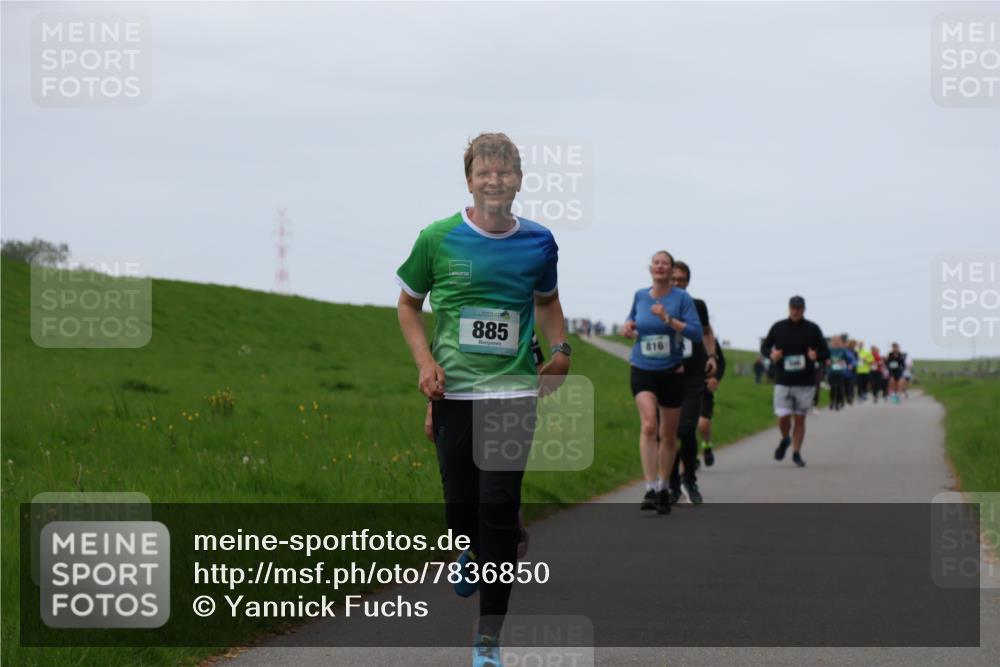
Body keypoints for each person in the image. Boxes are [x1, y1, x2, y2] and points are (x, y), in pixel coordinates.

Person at [396, 132, 570, 667]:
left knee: (496, 506)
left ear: (519, 180)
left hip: (514, 390)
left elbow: (548, 303)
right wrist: (425, 365)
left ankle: (488, 640)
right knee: (461, 507)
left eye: (504, 172)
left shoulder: (539, 241)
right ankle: (470, 546)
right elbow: (408, 305)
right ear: (469, 180)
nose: (495, 180)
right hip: (455, 393)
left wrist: (561, 349)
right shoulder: (438, 237)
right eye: (484, 172)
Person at [622, 251, 703, 514]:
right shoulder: (640, 295)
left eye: (664, 264)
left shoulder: (682, 299)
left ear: (671, 270)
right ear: (650, 268)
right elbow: (632, 319)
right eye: (656, 263)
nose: (659, 267)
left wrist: (667, 318)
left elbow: (696, 333)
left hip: (671, 371)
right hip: (642, 368)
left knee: (668, 435)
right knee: (648, 425)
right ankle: (649, 487)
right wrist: (628, 327)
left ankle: (664, 487)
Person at [667, 260, 719, 503]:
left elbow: (707, 332)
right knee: (668, 433)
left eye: (682, 279)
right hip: (666, 375)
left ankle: (689, 479)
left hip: (693, 375)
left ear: (688, 281)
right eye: (674, 279)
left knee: (686, 429)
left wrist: (712, 356)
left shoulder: (697, 305)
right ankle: (672, 485)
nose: (678, 283)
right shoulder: (658, 304)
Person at [760, 296, 830, 467]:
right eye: (792, 308)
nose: (795, 311)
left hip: (805, 382)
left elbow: (826, 352)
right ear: (789, 308)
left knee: (800, 419)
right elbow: (765, 347)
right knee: (783, 417)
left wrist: (816, 356)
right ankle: (785, 438)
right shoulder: (778, 327)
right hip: (783, 380)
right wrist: (772, 354)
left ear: (803, 309)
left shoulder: (813, 329)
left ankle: (796, 453)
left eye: (798, 308)